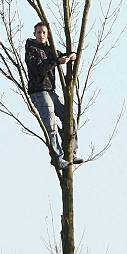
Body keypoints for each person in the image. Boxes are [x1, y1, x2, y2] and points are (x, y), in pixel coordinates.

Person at [25, 22, 83, 169]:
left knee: (68, 116)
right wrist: (57, 62)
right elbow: (38, 68)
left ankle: (71, 153)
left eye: (44, 32)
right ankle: (58, 158)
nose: (41, 35)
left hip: (51, 91)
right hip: (39, 91)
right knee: (51, 126)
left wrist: (72, 55)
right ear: (34, 34)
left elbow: (61, 55)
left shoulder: (50, 50)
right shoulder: (31, 50)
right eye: (39, 32)